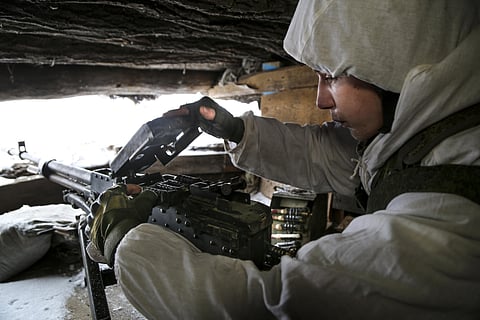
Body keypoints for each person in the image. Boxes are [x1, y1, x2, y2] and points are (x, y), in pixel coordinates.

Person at [88, 0, 480, 319]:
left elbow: (262, 304)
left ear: (393, 67)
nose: (321, 100)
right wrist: (236, 130)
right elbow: (334, 157)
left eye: (332, 77)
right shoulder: (441, 138)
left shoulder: (447, 226)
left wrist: (126, 241)